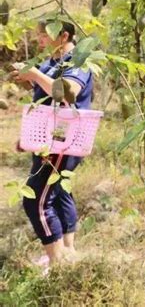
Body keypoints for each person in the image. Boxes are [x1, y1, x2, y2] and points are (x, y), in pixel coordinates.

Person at [11, 20, 93, 272]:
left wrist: (34, 74)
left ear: (64, 35)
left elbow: (68, 93)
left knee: (35, 198)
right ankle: (67, 251)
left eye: (44, 35)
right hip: (48, 137)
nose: (41, 40)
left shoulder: (77, 61)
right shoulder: (52, 62)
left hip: (63, 138)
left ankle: (57, 262)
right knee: (58, 193)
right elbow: (45, 97)